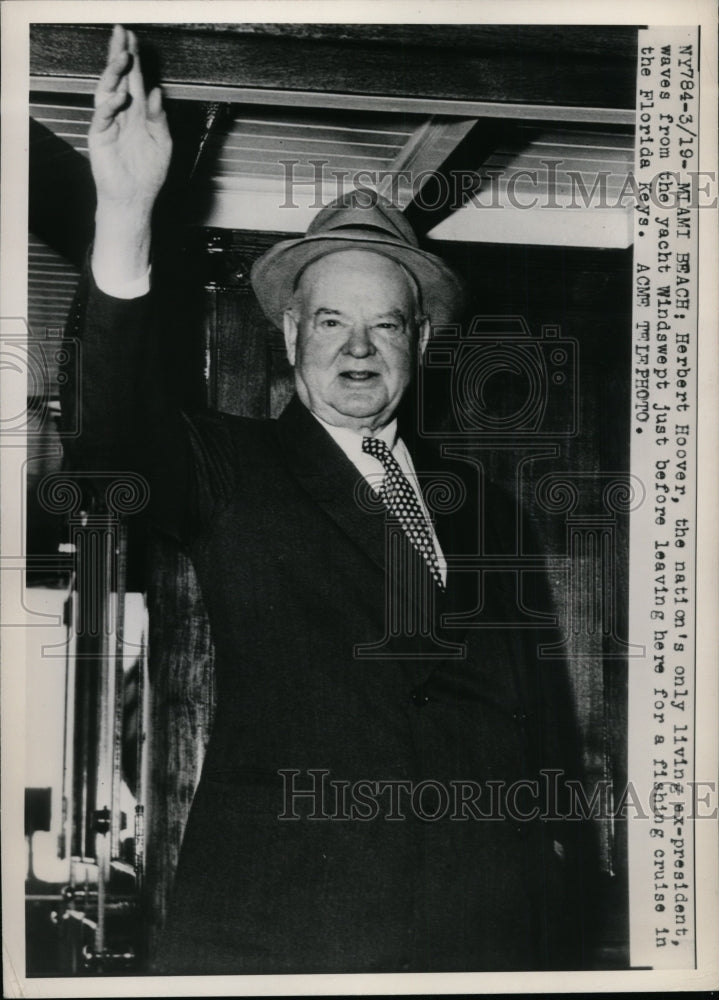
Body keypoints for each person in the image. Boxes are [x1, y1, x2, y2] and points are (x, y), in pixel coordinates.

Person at [62, 25, 592, 974]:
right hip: (289, 921)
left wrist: (554, 886)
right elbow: (115, 442)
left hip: (481, 928)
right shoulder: (226, 465)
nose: (357, 350)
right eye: (332, 323)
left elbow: (537, 719)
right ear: (291, 337)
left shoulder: (481, 508)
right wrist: (125, 211)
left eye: (383, 325)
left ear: (418, 346)